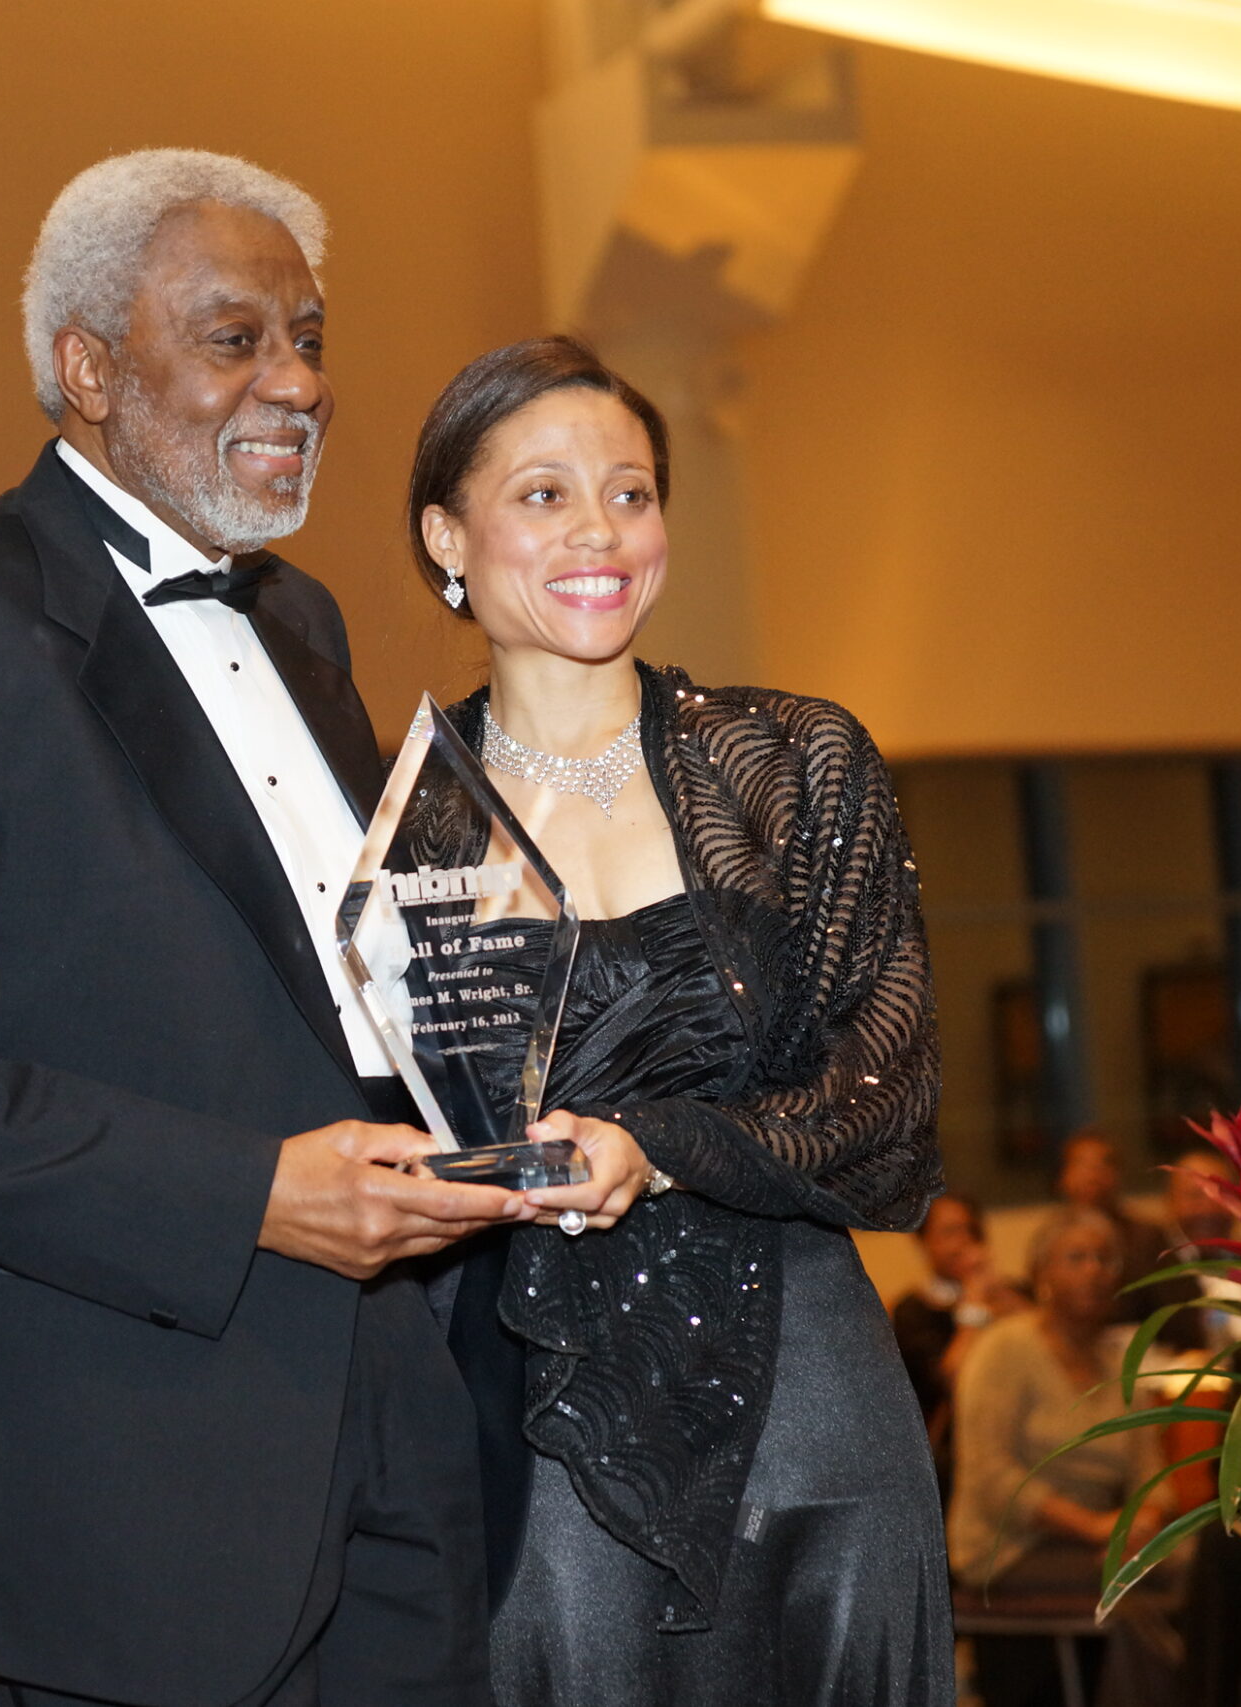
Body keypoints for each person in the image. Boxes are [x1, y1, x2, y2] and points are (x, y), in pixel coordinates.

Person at [0, 150, 526, 1707]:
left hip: (404, 1415)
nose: (300, 383)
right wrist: (255, 1194)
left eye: (312, 337)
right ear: (87, 368)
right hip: (124, 1484)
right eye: (234, 339)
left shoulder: (308, 619)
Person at [403, 335, 949, 1704]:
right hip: (537, 1400)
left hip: (815, 1399)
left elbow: (887, 1108)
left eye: (631, 491)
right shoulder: (392, 823)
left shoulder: (794, 761)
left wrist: (654, 1141)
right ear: (445, 535)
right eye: (542, 493)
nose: (599, 529)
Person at [950, 1208, 1173, 1707]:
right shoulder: (1002, 1348)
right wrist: (1094, 1528)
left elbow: (1153, 1473)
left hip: (1096, 1545)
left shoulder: (1121, 1362)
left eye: (1104, 1259)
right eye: (1076, 1258)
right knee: (1135, 1594)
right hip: (1010, 1546)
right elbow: (992, 1474)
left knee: (1183, 1565)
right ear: (1041, 1274)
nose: (1093, 1270)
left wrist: (1146, 1523)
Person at [892, 1194, 1026, 1496]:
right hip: (958, 1453)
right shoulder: (913, 1311)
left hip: (1021, 1433)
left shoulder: (1010, 1294)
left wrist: (997, 1293)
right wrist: (974, 1307)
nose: (963, 1241)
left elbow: (1049, 1344)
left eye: (971, 1230)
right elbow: (951, 1378)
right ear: (923, 1241)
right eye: (950, 1232)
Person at [1055, 1132, 1173, 1326]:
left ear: (1118, 1175)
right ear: (1063, 1177)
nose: (1093, 1175)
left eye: (1103, 1165)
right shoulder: (1053, 1240)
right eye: (1081, 1164)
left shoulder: (1148, 1237)